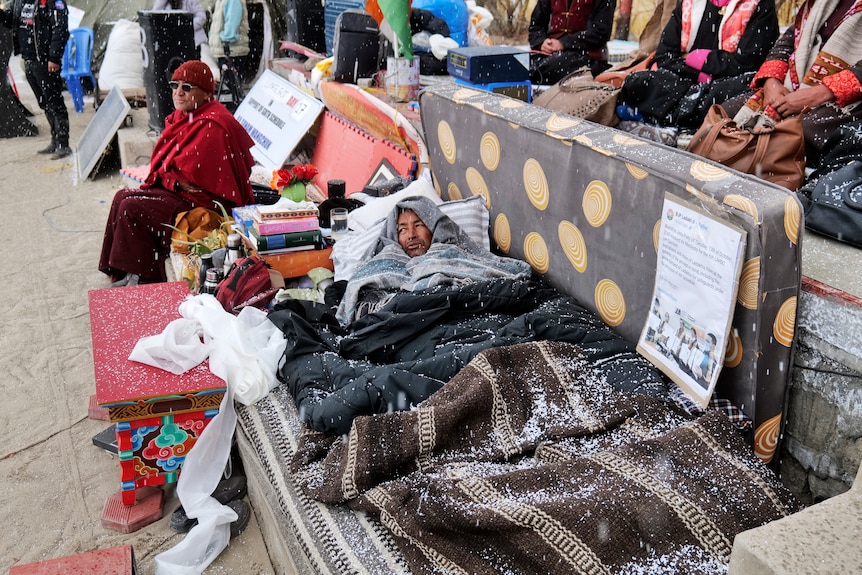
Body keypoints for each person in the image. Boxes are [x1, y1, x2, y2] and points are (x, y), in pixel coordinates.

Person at [99, 60, 255, 287]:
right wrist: (173, 181)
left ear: (205, 93)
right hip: (179, 192)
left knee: (131, 208)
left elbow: (195, 181)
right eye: (175, 85)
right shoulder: (186, 116)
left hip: (200, 205)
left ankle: (144, 277)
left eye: (187, 87)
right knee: (121, 197)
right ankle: (119, 269)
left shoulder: (213, 124)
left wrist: (173, 180)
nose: (178, 92)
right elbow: (167, 170)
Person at [335, 196, 532, 325]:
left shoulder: (453, 257)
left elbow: (498, 277)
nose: (411, 235)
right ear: (393, 238)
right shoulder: (383, 265)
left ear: (434, 229)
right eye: (402, 229)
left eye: (419, 225)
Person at [720, 0, 862, 169]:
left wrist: (823, 92)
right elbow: (789, 39)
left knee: (795, 134)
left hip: (848, 99)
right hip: (798, 81)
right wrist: (771, 81)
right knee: (727, 112)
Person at [616, 0, 779, 133]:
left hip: (725, 85)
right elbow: (665, 55)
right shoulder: (690, 4)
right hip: (683, 82)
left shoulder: (760, 4)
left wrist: (703, 59)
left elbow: (746, 63)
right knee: (637, 81)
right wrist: (698, 73)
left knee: (739, 89)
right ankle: (678, 117)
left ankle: (662, 116)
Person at [0, 0, 70, 158]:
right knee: (44, 102)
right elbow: (8, 21)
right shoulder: (20, 2)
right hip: (28, 59)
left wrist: (54, 57)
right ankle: (55, 139)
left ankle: (64, 144)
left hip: (45, 60)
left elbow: (61, 28)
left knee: (55, 102)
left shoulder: (53, 2)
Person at [527, 0, 616, 84]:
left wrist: (564, 44)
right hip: (549, 55)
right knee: (520, 66)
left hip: (587, 56)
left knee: (541, 71)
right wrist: (542, 42)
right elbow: (536, 26)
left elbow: (600, 33)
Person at [209, 0, 250, 82]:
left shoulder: (232, 1)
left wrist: (223, 38)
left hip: (231, 50)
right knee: (231, 85)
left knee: (233, 85)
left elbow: (231, 27)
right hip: (226, 50)